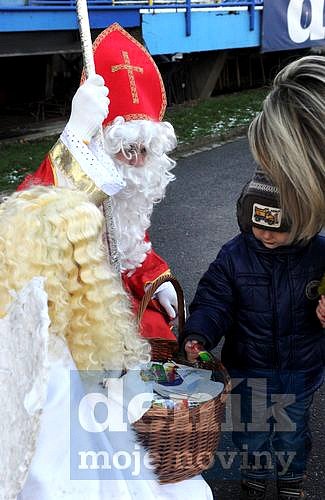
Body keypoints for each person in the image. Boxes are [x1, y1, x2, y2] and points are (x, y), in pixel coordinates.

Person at [0, 185, 213, 500]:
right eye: (92, 256)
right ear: (73, 272)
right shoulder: (50, 360)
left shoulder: (29, 323)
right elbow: (53, 478)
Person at [18, 22, 178, 344]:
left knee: (161, 340)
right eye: (126, 149)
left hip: (121, 306)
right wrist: (74, 133)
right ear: (101, 148)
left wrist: (155, 279)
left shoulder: (128, 197)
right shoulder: (71, 181)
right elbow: (29, 219)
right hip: (75, 310)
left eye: (143, 151)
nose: (135, 161)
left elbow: (134, 250)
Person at [180, 171, 325, 500]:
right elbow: (214, 300)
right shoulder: (234, 256)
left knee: (294, 433)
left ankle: (291, 481)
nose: (266, 236)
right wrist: (200, 332)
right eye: (258, 226)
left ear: (303, 221)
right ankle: (254, 475)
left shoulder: (319, 254)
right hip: (248, 367)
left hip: (299, 369)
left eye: (279, 229)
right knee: (252, 430)